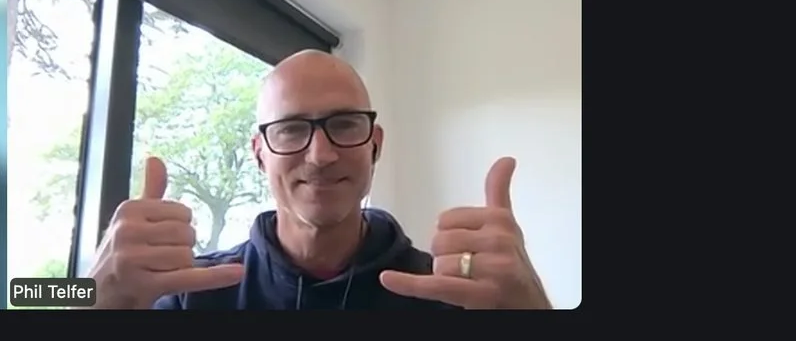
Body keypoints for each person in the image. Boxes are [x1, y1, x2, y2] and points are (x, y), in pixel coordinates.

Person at [90, 50, 553, 310]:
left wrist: (532, 308)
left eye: (345, 124)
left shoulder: (450, 294)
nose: (321, 154)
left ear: (376, 145)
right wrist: (96, 301)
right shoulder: (191, 297)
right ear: (259, 154)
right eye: (291, 128)